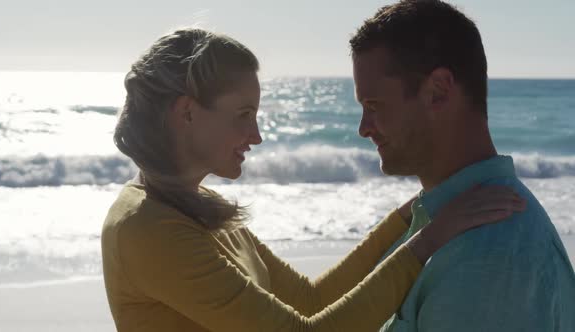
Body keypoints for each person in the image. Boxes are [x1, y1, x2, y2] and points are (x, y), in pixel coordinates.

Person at [101, 28, 524, 332]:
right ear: (187, 112)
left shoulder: (195, 204)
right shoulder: (148, 229)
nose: (257, 136)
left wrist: (413, 213)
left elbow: (309, 299)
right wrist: (429, 239)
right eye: (243, 115)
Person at [349, 1, 575, 331]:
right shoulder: (437, 221)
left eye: (374, 105)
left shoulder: (490, 258)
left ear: (438, 91)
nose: (363, 127)